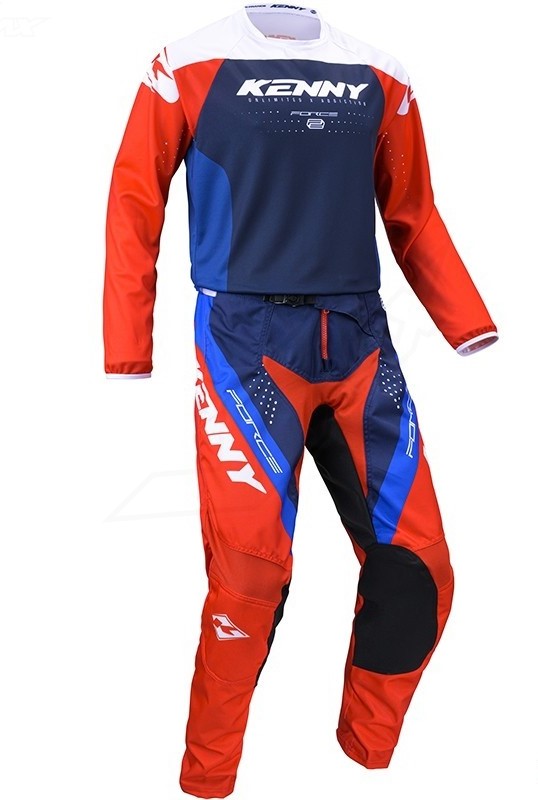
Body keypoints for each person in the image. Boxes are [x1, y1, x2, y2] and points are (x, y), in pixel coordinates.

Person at [103, 5, 498, 798]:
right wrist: (127, 344)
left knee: (422, 571)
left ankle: (363, 755)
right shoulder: (184, 65)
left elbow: (412, 210)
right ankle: (209, 775)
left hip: (360, 341)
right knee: (250, 579)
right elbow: (134, 198)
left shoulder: (381, 75)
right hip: (245, 344)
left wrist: (466, 321)